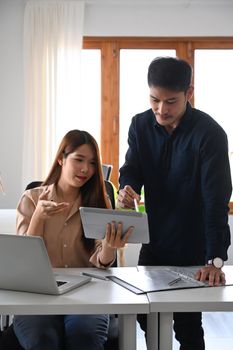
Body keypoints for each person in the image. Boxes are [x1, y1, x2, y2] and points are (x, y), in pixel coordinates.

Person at [117, 57, 232, 350]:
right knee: (145, 316)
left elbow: (216, 200)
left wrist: (215, 259)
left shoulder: (210, 134)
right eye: (154, 100)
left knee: (187, 324)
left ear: (189, 93)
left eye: (171, 101)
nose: (161, 109)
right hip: (154, 240)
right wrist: (126, 187)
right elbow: (131, 168)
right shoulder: (139, 125)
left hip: (193, 245)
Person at [13, 129, 133, 350]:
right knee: (42, 339)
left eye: (92, 163)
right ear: (61, 158)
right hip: (38, 295)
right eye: (78, 160)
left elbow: (102, 262)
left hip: (87, 293)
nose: (86, 169)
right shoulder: (31, 199)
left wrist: (109, 247)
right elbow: (24, 262)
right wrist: (39, 217)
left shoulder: (99, 201)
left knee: (84, 335)